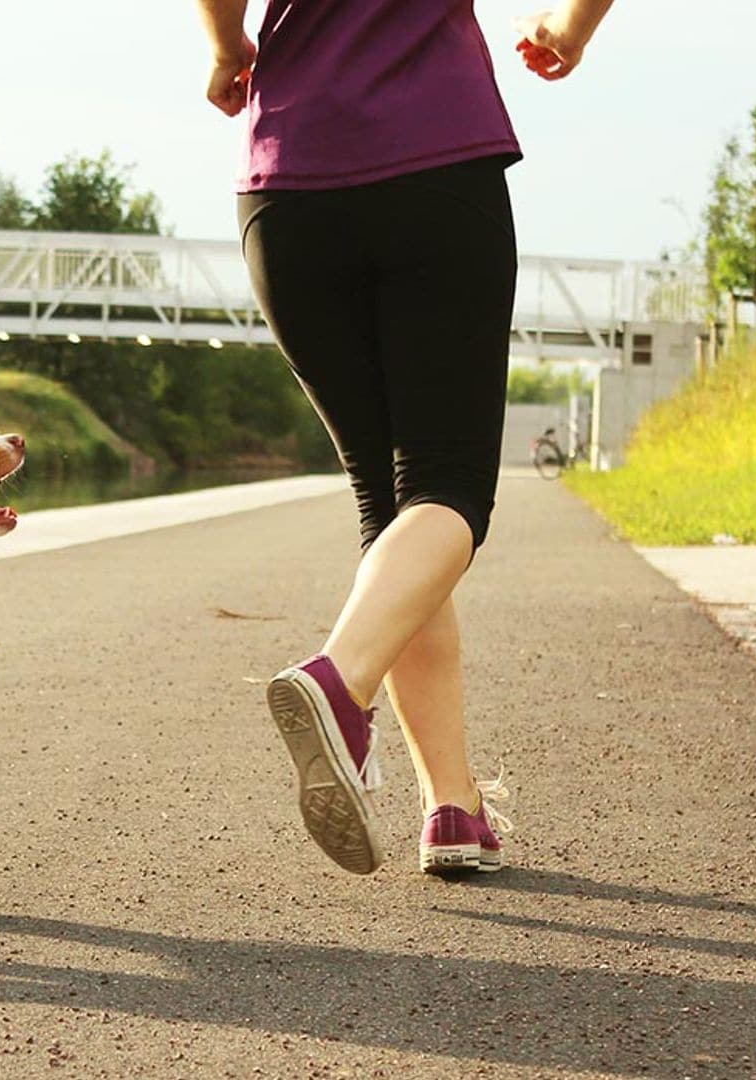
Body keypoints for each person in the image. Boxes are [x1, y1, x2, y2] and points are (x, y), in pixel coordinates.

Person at [194, 0, 616, 875]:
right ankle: (338, 687)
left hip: (287, 188)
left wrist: (225, 42)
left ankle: (453, 808)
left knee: (391, 503)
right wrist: (572, 26)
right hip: (434, 163)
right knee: (448, 486)